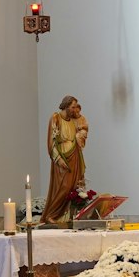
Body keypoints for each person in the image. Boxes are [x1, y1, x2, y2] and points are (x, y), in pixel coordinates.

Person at [41, 95, 89, 223]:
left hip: (75, 155)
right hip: (62, 156)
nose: (74, 110)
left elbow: (83, 129)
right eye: (72, 107)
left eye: (75, 107)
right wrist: (58, 159)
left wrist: (81, 134)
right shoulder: (56, 118)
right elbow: (51, 141)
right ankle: (51, 215)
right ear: (66, 106)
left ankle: (69, 216)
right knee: (63, 187)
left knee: (74, 187)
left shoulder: (74, 120)